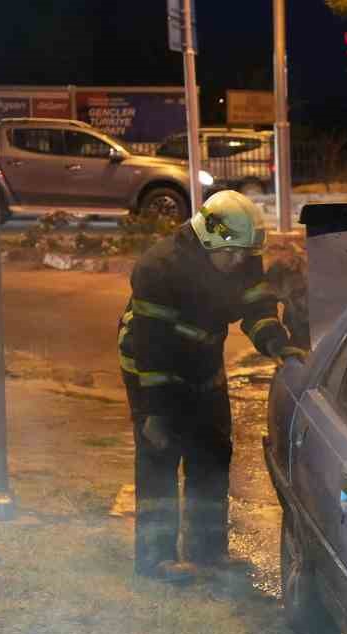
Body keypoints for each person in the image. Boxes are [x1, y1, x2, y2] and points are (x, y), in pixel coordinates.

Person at [118, 189, 306, 582]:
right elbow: (152, 346)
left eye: (246, 254)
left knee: (212, 451)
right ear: (209, 240)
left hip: (203, 357)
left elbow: (257, 307)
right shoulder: (159, 268)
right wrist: (155, 411)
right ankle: (155, 559)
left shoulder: (242, 255)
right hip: (152, 364)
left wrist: (277, 343)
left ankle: (207, 551)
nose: (242, 262)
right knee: (160, 453)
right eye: (234, 253)